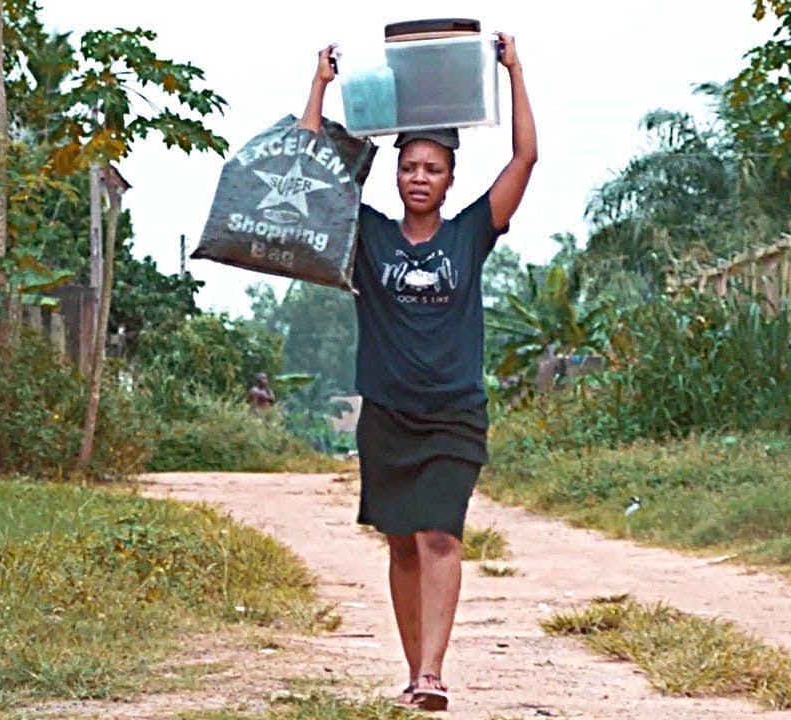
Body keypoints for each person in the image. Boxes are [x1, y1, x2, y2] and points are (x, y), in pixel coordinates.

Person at [298, 31, 536, 712]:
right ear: (396, 176)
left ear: (450, 179)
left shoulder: (471, 233)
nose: (420, 177)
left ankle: (433, 673)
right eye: (409, 167)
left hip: (455, 413)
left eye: (433, 168)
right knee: (402, 543)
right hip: (388, 414)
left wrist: (515, 72)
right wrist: (319, 84)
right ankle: (414, 671)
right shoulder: (369, 236)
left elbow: (525, 156)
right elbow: (309, 174)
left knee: (439, 534)